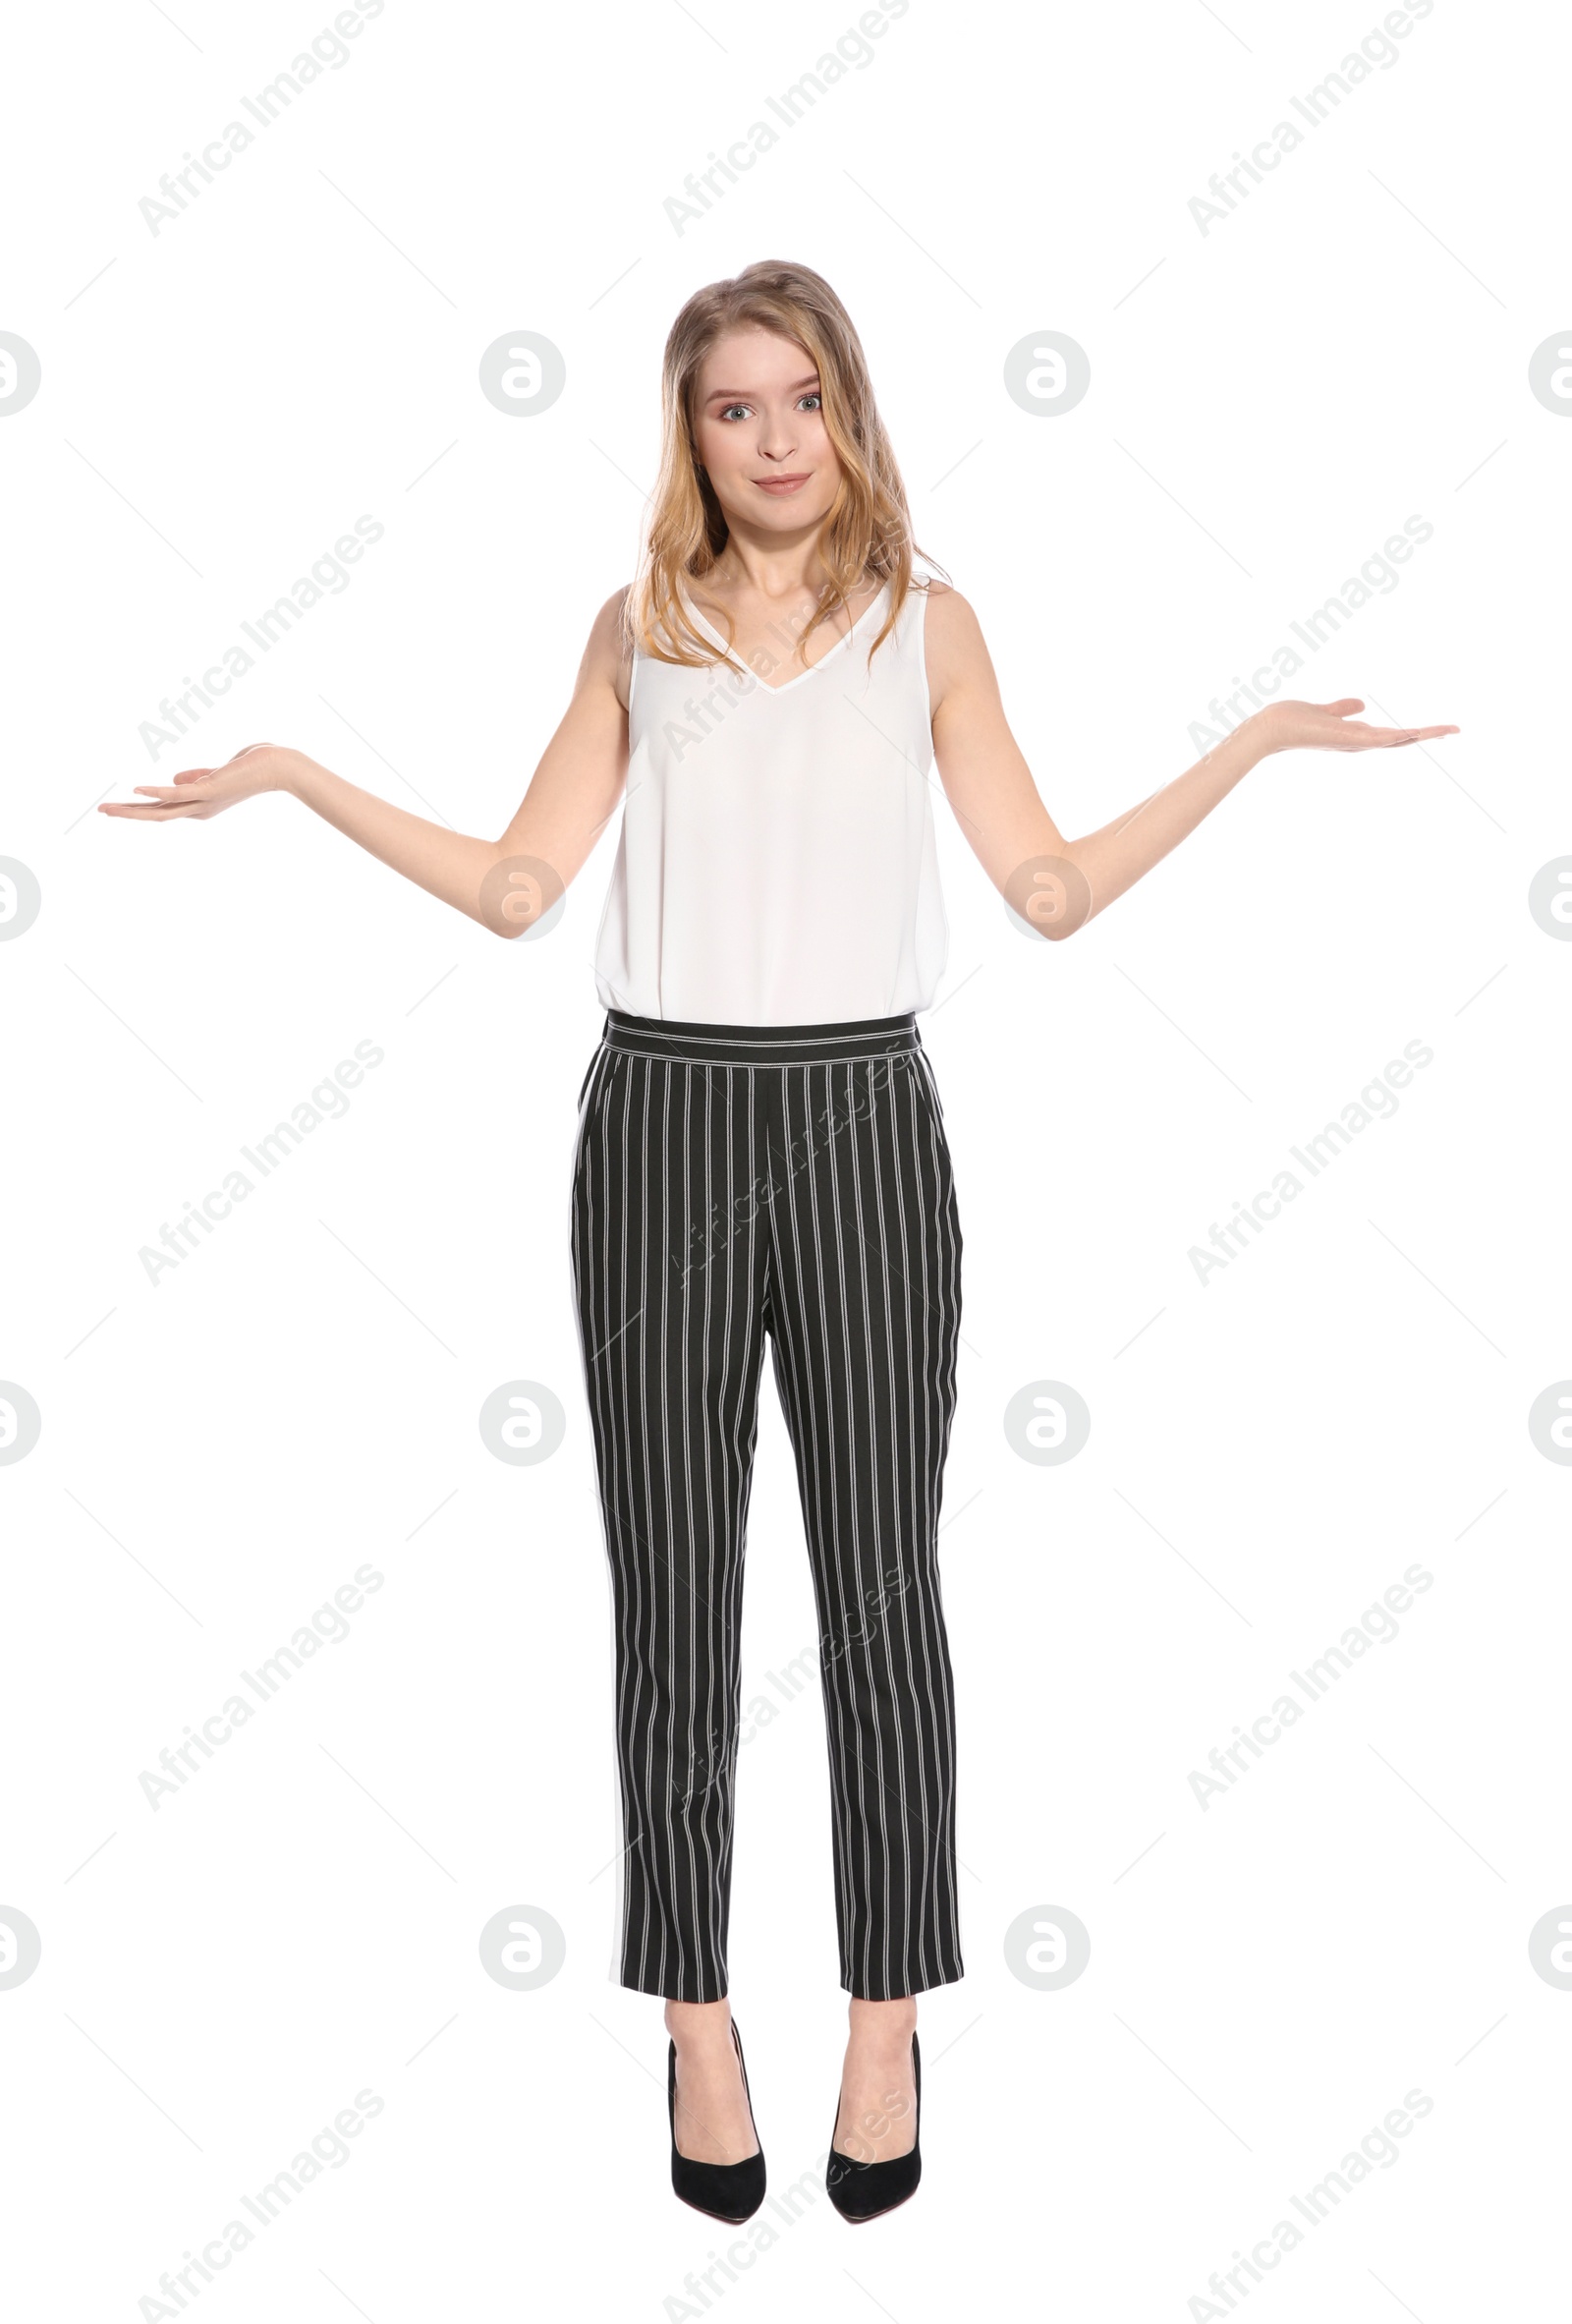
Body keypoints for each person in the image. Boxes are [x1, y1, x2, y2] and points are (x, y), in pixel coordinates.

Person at [102, 257, 1458, 2225]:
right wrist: (302, 778)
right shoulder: (635, 630)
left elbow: (1050, 889)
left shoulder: (930, 627)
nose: (770, 439)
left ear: (850, 411)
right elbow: (513, 889)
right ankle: (693, 2017)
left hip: (860, 1121)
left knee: (880, 1588)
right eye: (731, 408)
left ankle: (887, 2012)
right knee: (674, 1594)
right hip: (652, 1117)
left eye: (799, 399)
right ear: (688, 434)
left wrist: (1246, 745)